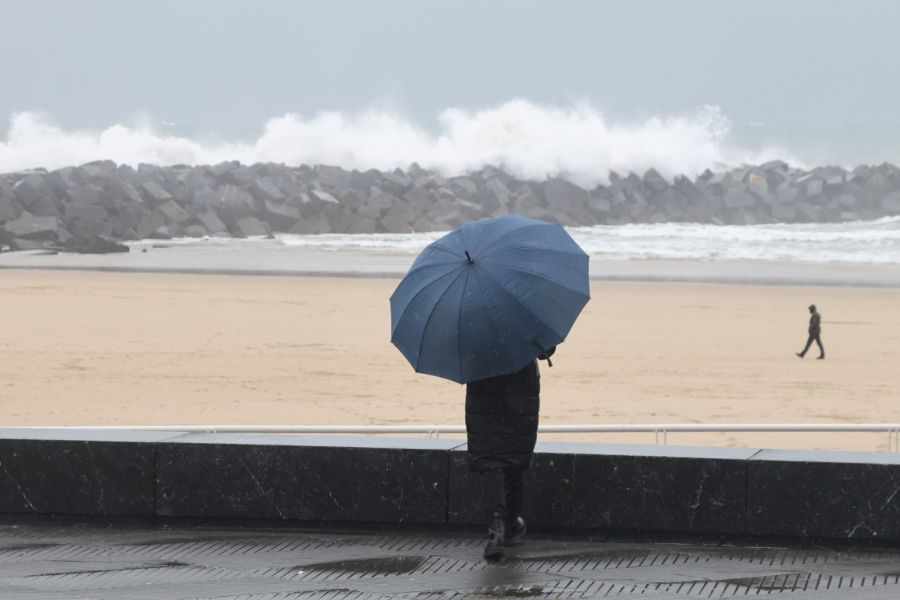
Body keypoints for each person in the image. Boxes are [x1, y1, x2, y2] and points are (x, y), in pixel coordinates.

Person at [465, 346, 555, 561]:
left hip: (484, 393)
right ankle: (512, 524)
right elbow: (547, 349)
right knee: (514, 463)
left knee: (491, 463)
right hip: (520, 397)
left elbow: (459, 353)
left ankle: (497, 528)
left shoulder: (472, 322)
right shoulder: (524, 318)